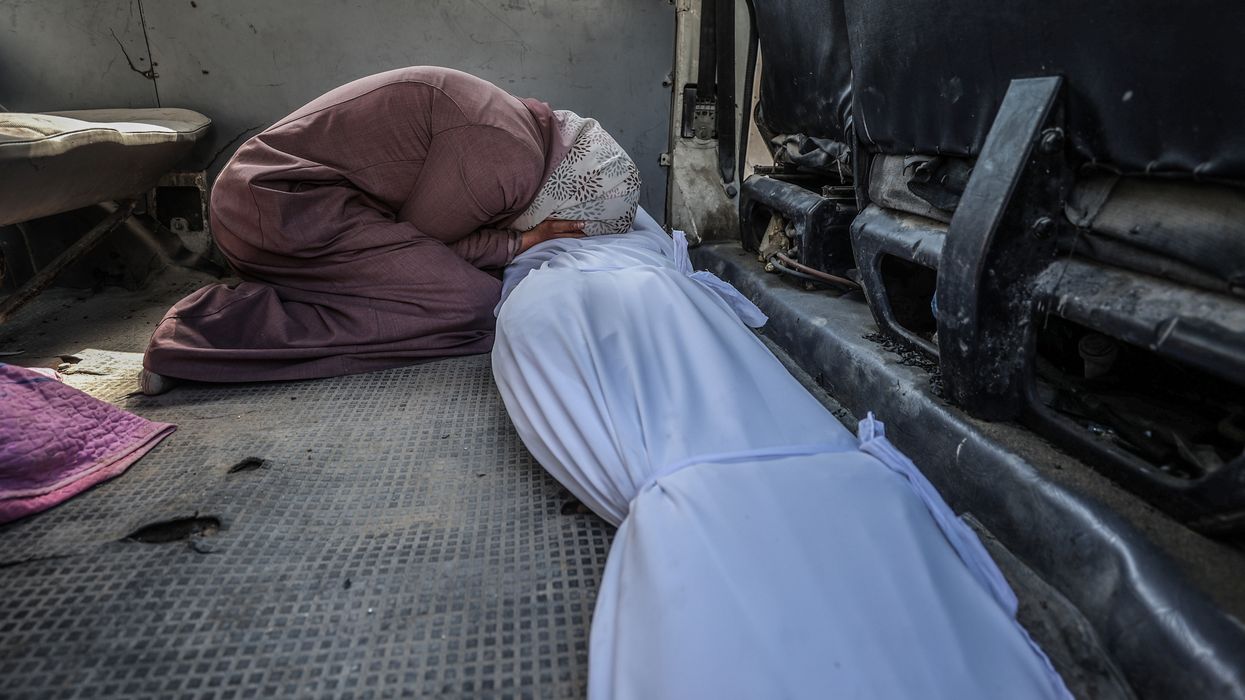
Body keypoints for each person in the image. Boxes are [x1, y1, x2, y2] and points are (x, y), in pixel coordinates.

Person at [139, 66, 641, 394]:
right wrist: (518, 242)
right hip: (279, 208)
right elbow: (424, 245)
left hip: (275, 202)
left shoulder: (520, 127)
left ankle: (300, 288)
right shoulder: (506, 162)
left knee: (452, 294)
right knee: (471, 304)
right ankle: (207, 328)